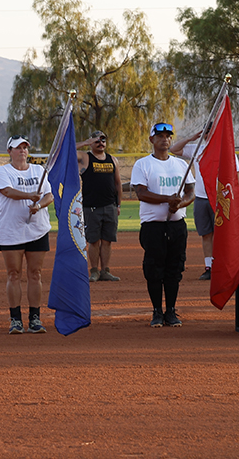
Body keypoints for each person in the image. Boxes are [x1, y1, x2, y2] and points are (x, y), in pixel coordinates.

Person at [131, 122, 195, 328]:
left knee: (174, 269)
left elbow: (190, 192)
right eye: (160, 136)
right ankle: (157, 311)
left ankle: (171, 311)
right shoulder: (143, 164)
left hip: (177, 225)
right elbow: (141, 193)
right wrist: (167, 200)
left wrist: (180, 204)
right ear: (152, 139)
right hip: (153, 226)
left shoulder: (181, 165)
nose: (164, 139)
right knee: (154, 269)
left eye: (168, 136)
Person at [0, 135, 54, 335]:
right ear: (9, 151)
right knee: (14, 274)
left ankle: (35, 318)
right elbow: (8, 192)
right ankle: (15, 319)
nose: (22, 151)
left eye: (25, 148)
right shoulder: (3, 171)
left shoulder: (39, 171)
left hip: (37, 230)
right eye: (17, 148)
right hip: (11, 231)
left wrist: (39, 205)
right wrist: (30, 196)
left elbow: (49, 195)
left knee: (35, 274)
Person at [170, 130, 239, 281]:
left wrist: (234, 198)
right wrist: (191, 137)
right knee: (206, 234)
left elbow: (237, 174)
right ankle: (209, 267)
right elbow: (174, 149)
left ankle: (223, 266)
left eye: (212, 133)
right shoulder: (197, 149)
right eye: (207, 133)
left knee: (221, 235)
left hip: (220, 199)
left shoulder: (227, 151)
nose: (209, 136)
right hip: (201, 198)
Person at [76, 130, 122, 282]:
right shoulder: (85, 157)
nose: (100, 142)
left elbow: (117, 183)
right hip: (91, 206)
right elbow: (65, 150)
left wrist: (118, 204)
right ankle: (94, 271)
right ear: (91, 142)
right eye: (97, 140)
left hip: (110, 206)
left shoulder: (112, 159)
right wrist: (85, 143)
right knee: (94, 241)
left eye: (103, 139)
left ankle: (105, 271)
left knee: (107, 240)